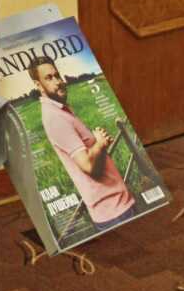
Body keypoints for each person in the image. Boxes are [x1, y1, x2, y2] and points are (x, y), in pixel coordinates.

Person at [29, 58, 136, 230]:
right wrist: (100, 144)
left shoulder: (60, 109)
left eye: (57, 75)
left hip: (117, 205)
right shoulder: (55, 118)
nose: (58, 81)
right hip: (114, 211)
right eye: (49, 78)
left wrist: (98, 144)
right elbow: (88, 166)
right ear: (38, 85)